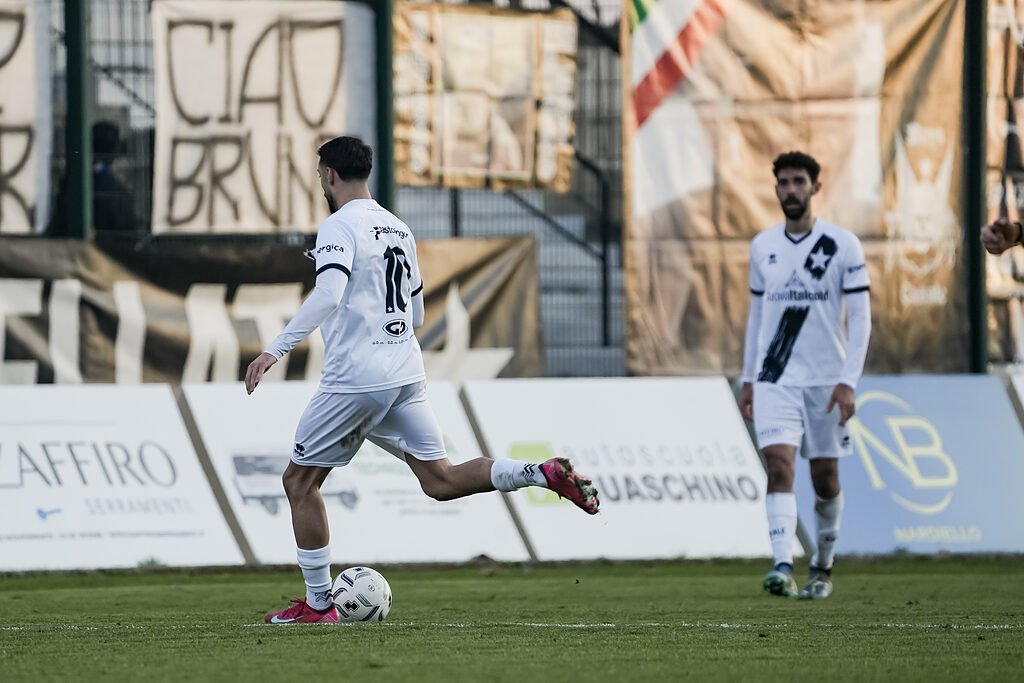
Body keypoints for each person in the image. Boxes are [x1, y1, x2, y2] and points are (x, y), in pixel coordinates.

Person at [245, 136, 599, 624]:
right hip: (405, 371)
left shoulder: (338, 225)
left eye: (320, 174)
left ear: (329, 175)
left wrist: (274, 350)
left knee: (299, 482)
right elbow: (415, 314)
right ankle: (540, 473)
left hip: (357, 378)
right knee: (440, 479)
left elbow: (328, 293)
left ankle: (319, 604)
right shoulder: (399, 228)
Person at [737, 151, 871, 600]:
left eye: (798, 181)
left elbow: (861, 319)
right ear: (775, 188)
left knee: (825, 478)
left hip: (826, 382)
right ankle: (782, 566)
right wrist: (749, 378)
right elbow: (757, 317)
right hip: (776, 378)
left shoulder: (842, 245)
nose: (790, 190)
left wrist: (848, 381)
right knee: (778, 466)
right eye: (783, 182)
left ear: (816, 187)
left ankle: (822, 567)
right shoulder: (763, 246)